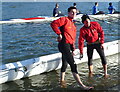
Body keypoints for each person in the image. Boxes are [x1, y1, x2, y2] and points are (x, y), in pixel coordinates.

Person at [51, 7, 93, 90]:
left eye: (75, 13)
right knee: (73, 65)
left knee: (65, 63)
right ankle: (82, 86)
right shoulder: (65, 19)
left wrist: (73, 48)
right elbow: (53, 24)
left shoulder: (73, 25)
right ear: (68, 13)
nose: (74, 14)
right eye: (72, 12)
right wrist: (59, 34)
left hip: (69, 45)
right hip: (63, 45)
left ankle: (61, 80)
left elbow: (72, 38)